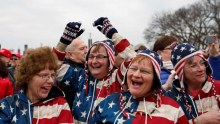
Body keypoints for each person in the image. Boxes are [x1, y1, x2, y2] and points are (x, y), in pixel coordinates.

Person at [54, 17, 136, 123]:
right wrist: (64, 42)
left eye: (100, 57)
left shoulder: (117, 77)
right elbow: (54, 68)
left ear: (110, 60)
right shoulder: (81, 76)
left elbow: (135, 61)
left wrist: (113, 34)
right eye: (91, 56)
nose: (94, 61)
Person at [90, 49, 189, 124]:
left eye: (144, 71)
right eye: (133, 69)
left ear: (155, 79)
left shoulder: (173, 109)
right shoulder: (109, 101)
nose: (136, 75)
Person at [0, 46, 73, 124]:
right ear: (28, 77)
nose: (51, 81)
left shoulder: (60, 105)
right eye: (44, 75)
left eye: (52, 75)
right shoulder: (7, 105)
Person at [165, 43, 220, 124]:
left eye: (202, 63)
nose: (201, 69)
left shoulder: (218, 87)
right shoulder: (170, 98)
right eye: (193, 65)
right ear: (181, 72)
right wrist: (198, 121)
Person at [60, 37, 88, 109]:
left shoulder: (86, 66)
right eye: (82, 49)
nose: (86, 51)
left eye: (86, 47)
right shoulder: (65, 70)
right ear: (71, 55)